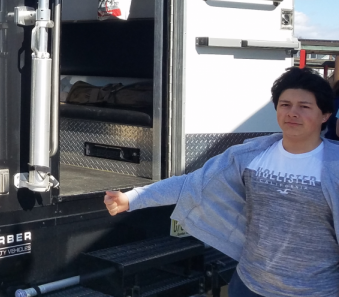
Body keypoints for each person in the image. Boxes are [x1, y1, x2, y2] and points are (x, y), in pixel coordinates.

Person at [104, 67, 338, 297]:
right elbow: (193, 183)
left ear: (325, 114)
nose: (292, 113)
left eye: (304, 106)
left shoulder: (334, 165)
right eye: (285, 105)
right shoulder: (249, 156)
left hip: (317, 290)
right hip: (250, 285)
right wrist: (132, 198)